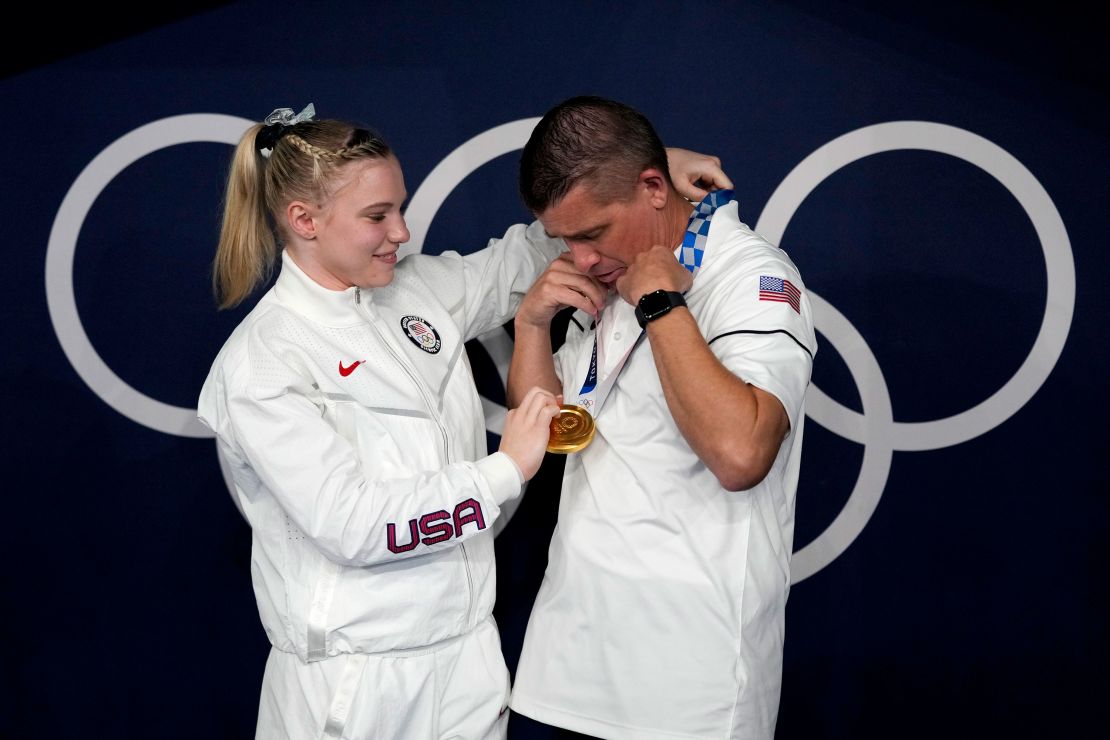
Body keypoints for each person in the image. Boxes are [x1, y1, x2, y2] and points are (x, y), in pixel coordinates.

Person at [196, 102, 733, 740]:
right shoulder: (263, 364)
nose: (400, 232)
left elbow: (539, 246)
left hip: (469, 666)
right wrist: (507, 469)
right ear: (304, 220)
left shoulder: (414, 290)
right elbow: (353, 525)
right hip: (354, 687)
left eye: (399, 207)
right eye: (377, 216)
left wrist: (648, 173)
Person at [506, 95, 817, 740]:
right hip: (562, 670)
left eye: (592, 233)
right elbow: (542, 429)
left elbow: (741, 454)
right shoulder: (614, 268)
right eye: (564, 239)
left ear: (654, 188)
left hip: (688, 690)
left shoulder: (749, 275)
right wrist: (534, 326)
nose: (581, 257)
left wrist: (659, 304)